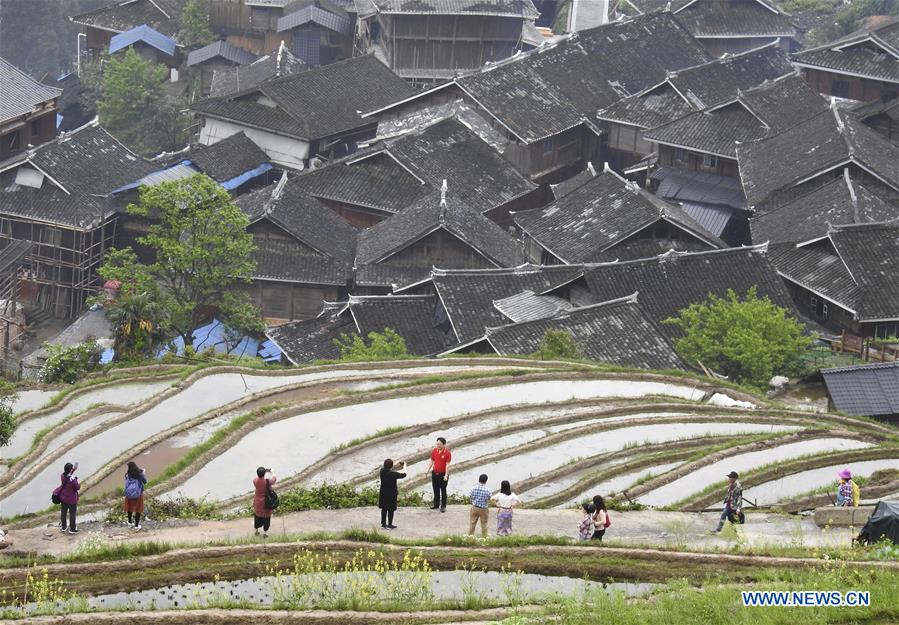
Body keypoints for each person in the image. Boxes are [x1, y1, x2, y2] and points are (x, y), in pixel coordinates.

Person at [425, 437, 451, 512]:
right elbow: (432, 461)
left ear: (444, 444)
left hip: (443, 474)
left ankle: (443, 506)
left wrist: (446, 475)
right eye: (437, 444)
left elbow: (447, 465)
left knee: (443, 490)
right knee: (435, 489)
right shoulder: (435, 451)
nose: (438, 446)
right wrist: (427, 470)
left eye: (439, 444)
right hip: (435, 473)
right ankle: (436, 505)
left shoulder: (447, 453)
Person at [378, 459, 407, 529]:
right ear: (391, 466)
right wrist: (405, 466)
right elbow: (404, 475)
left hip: (383, 493)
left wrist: (396, 465)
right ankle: (390, 524)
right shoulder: (393, 474)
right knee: (391, 509)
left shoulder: (382, 471)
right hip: (391, 494)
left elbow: (389, 469)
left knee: (384, 508)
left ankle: (384, 523)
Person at [252, 467, 277, 537]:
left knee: (257, 516)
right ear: (264, 474)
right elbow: (274, 478)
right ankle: (265, 533)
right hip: (266, 502)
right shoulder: (267, 481)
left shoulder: (255, 481)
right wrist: (272, 471)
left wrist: (263, 472)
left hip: (257, 502)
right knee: (266, 518)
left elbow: (259, 477)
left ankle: (256, 531)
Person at [123, 461, 148, 530]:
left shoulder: (127, 474)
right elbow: (145, 481)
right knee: (138, 509)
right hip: (138, 494)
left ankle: (130, 523)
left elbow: (126, 481)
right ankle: (136, 526)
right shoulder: (140, 474)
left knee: (129, 508)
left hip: (129, 495)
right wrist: (143, 473)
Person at [58, 462, 80, 534]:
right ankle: (72, 529)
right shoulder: (72, 479)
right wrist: (76, 480)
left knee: (63, 513)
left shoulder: (62, 475)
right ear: (70, 470)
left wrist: (74, 469)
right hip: (71, 499)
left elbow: (68, 475)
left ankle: (64, 527)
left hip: (63, 497)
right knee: (72, 513)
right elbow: (78, 487)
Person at [468, 474, 490, 538]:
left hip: (474, 507)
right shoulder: (487, 490)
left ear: (479, 479)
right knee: (484, 524)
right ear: (486, 481)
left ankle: (470, 537)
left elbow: (470, 496)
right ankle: (484, 538)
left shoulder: (473, 488)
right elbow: (489, 498)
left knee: (472, 523)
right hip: (484, 509)